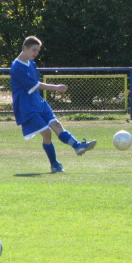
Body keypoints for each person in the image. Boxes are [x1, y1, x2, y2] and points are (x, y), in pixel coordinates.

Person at [10, 36, 96, 173]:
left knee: (56, 124)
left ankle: (78, 146)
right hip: (27, 106)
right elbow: (34, 85)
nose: (36, 53)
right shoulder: (16, 67)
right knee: (47, 133)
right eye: (34, 50)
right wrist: (56, 87)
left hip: (38, 102)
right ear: (25, 48)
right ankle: (54, 164)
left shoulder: (31, 64)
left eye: (38, 50)